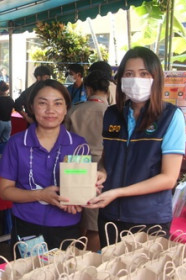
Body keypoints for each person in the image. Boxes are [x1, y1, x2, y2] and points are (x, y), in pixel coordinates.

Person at [86, 47, 186, 247]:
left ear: (155, 78)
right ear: (121, 79)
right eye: (129, 74)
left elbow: (168, 179)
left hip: (149, 218)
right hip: (110, 215)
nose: (135, 79)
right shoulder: (112, 114)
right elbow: (108, 156)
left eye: (143, 74)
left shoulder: (171, 117)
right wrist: (102, 172)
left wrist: (118, 192)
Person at [0, 79, 105, 251]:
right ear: (31, 106)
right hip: (27, 227)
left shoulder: (77, 144)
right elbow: (4, 191)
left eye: (58, 103)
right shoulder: (16, 143)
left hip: (67, 228)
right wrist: (40, 195)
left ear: (66, 108)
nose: (50, 110)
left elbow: (80, 188)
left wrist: (85, 195)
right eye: (42, 103)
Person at [64, 70, 111, 252]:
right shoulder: (112, 113)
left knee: (76, 218)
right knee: (94, 226)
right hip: (101, 170)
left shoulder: (74, 110)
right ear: (108, 90)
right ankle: (89, 261)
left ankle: (75, 257)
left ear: (88, 89)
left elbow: (65, 141)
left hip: (74, 166)